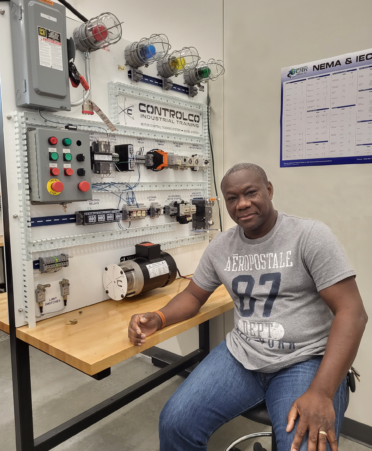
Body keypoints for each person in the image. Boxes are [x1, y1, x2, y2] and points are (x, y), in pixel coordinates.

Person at [128, 163, 368, 451]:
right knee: (175, 423)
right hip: (242, 354)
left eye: (250, 192)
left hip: (305, 358)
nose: (242, 204)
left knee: (304, 444)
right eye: (231, 198)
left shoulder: (309, 236)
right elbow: (193, 296)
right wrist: (159, 317)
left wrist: (321, 391)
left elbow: (353, 314)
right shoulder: (221, 247)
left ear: (268, 190)